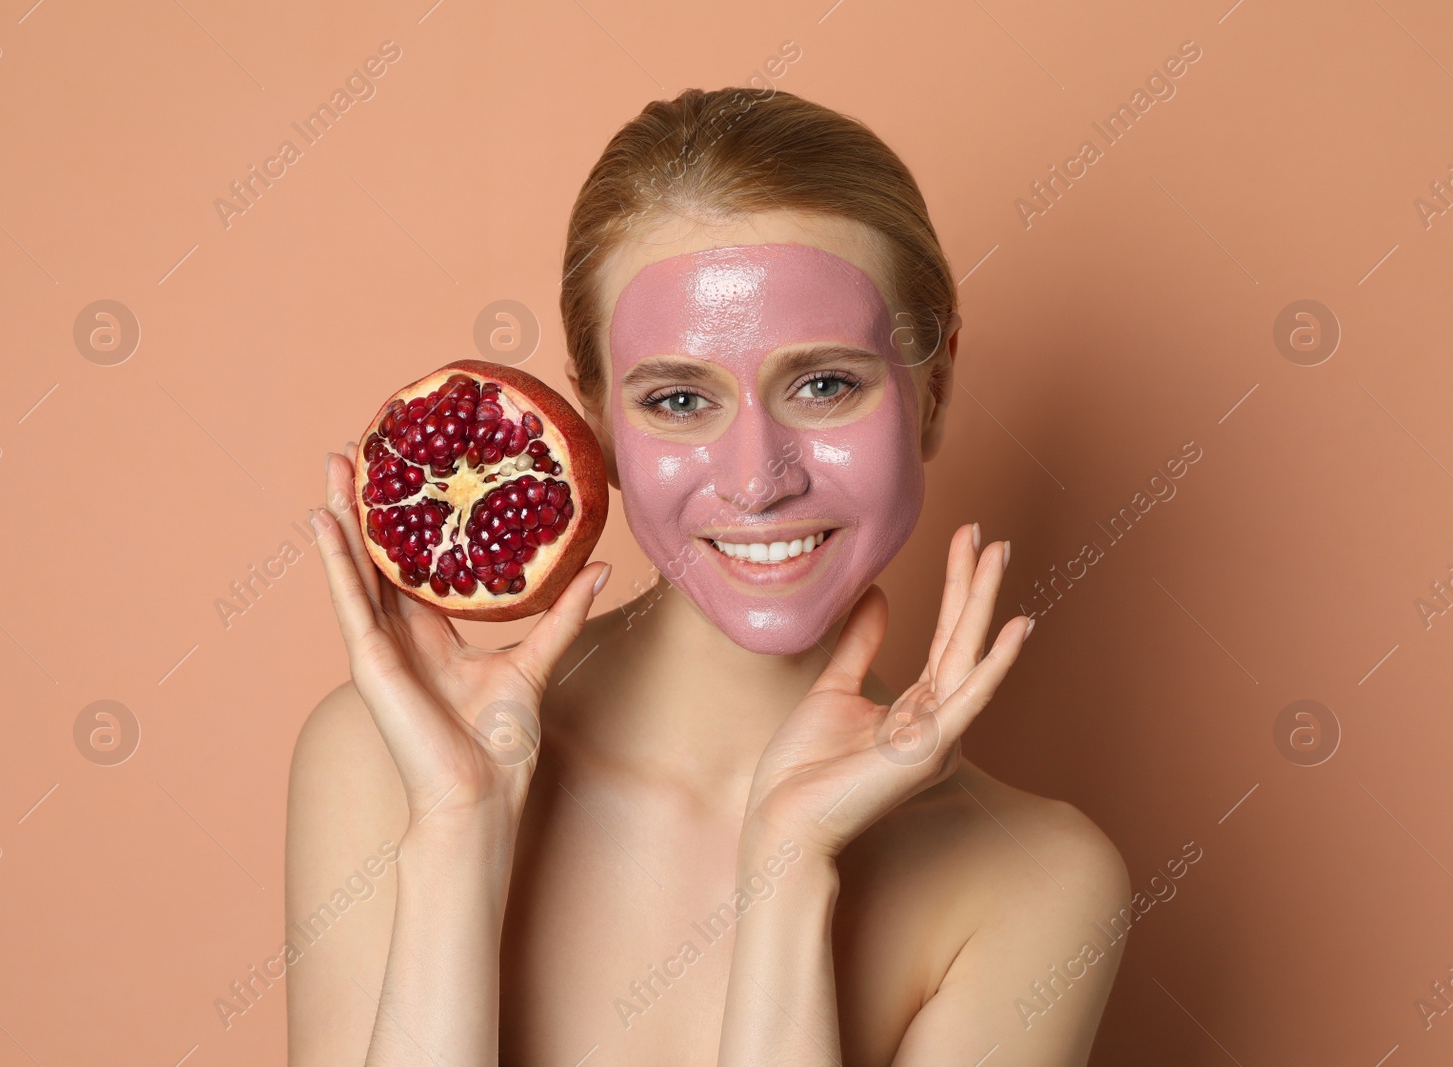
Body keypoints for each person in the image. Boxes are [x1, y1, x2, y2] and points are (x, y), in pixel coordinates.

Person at [289, 87, 1130, 1066]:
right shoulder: (385, 761)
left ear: (932, 388)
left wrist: (786, 870)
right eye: (680, 397)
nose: (755, 478)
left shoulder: (1033, 881)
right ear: (595, 422)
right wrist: (456, 830)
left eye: (824, 384)